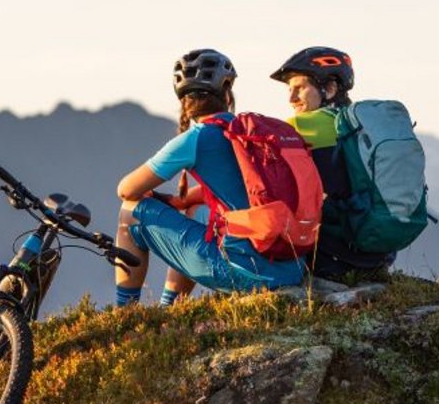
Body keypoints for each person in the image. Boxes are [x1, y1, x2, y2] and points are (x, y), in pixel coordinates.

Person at [114, 49, 309, 307]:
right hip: (292, 267)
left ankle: (125, 311)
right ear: (227, 93)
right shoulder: (245, 133)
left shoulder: (196, 138)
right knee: (196, 211)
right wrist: (181, 200)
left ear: (184, 101)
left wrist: (152, 196)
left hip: (246, 275)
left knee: (130, 212)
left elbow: (126, 189)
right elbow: (247, 188)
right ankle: (170, 307)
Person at [270, 46, 393, 281]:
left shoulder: (298, 125)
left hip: (331, 258)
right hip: (378, 254)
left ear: (330, 88)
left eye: (300, 88)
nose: (291, 98)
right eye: (289, 89)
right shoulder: (365, 124)